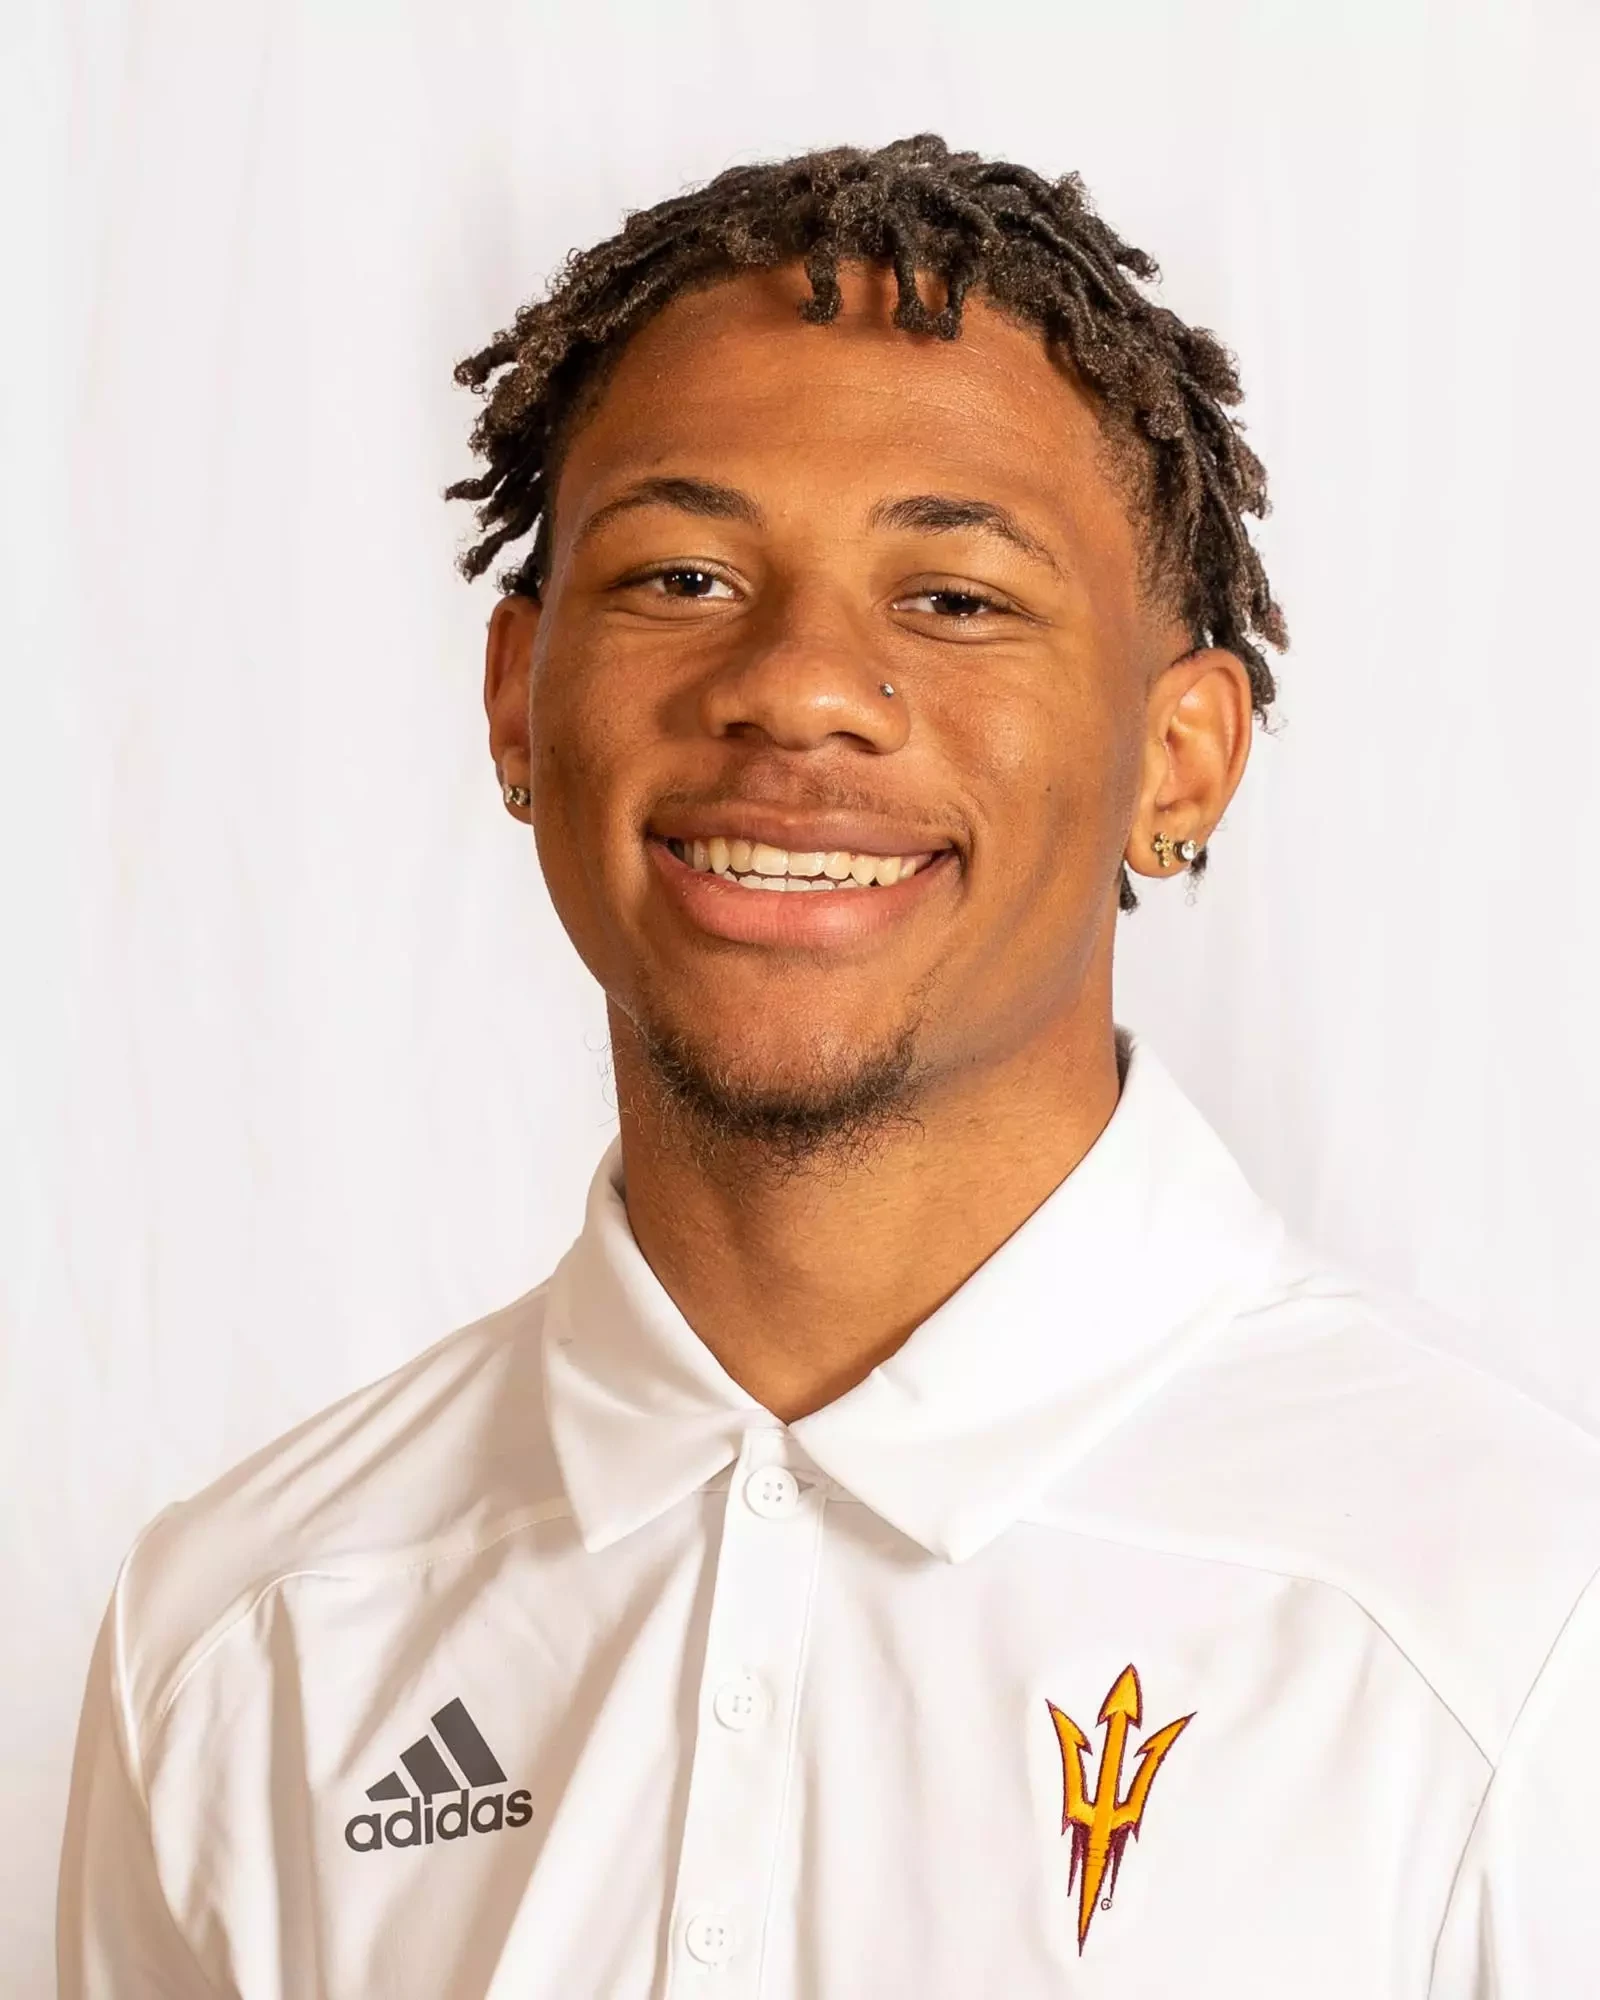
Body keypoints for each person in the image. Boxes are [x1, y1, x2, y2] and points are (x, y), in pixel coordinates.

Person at [58, 136, 1600, 1998]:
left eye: (954, 598)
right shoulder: (243, 1636)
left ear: (1180, 760)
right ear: (516, 700)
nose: (792, 684)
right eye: (684, 574)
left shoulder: (1520, 1629)